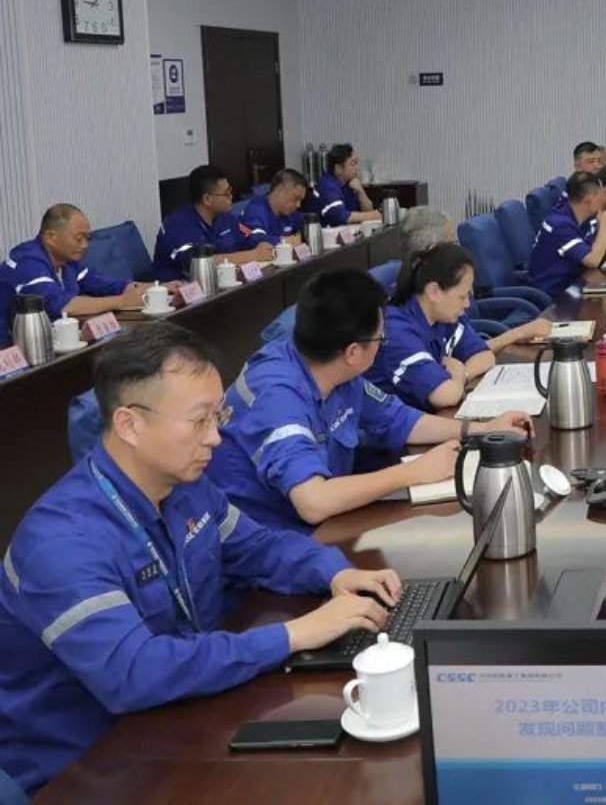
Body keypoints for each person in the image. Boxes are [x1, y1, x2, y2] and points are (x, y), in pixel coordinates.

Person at [0, 324, 399, 793]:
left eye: (218, 414)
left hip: (181, 715)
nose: (216, 437)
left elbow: (260, 547)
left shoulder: (184, 487)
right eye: (199, 420)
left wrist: (336, 573)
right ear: (129, 425)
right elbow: (134, 673)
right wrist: (295, 634)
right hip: (88, 769)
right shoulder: (61, 541)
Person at [206, 269, 529, 532]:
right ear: (352, 351)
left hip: (325, 526)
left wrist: (483, 429)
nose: (383, 344)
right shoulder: (277, 396)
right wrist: (416, 472)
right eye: (380, 338)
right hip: (269, 546)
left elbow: (399, 419)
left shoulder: (333, 365)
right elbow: (313, 502)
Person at [369, 242, 550, 412]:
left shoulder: (442, 314)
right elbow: (445, 396)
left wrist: (462, 374)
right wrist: (456, 376)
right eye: (462, 297)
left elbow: (484, 355)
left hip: (429, 416)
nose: (467, 304)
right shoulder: (397, 331)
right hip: (394, 431)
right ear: (434, 292)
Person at [1, 204, 145, 334]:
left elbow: (106, 285)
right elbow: (61, 306)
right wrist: (122, 302)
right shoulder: (27, 262)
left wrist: (148, 288)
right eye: (79, 238)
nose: (85, 245)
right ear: (51, 237)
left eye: (87, 238)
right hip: (10, 347)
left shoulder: (67, 261)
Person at [150, 164, 273, 280]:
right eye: (226, 194)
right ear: (207, 199)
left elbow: (249, 238)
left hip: (219, 283)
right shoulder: (176, 224)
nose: (231, 197)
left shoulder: (225, 217)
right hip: (175, 289)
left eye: (230, 191)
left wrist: (261, 243)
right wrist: (253, 255)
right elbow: (200, 263)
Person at [527, 172, 606, 299]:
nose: (604, 200)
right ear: (590, 199)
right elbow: (592, 261)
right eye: (601, 195)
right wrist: (604, 229)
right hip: (550, 297)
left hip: (572, 287)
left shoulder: (582, 219)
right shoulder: (559, 224)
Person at [306, 144, 381, 227]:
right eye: (353, 164)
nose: (356, 168)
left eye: (357, 163)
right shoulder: (327, 185)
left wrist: (361, 192)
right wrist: (376, 215)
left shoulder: (350, 183)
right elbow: (342, 217)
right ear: (338, 168)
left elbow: (368, 210)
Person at [238, 168, 308, 245]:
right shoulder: (255, 210)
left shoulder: (291, 213)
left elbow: (304, 232)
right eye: (296, 198)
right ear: (280, 190)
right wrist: (284, 241)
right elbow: (256, 239)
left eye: (301, 200)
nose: (298, 205)